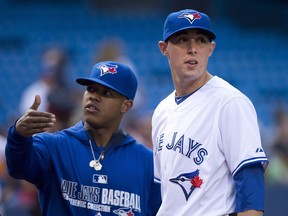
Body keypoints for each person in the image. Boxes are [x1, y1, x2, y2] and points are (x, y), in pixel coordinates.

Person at [152, 9, 269, 216]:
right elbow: (162, 192)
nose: (193, 49)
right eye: (182, 40)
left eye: (201, 40)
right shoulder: (162, 110)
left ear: (211, 48)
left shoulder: (230, 102)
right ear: (164, 48)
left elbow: (251, 188)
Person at [5, 61, 161, 216]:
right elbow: (17, 167)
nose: (94, 97)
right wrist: (18, 136)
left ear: (125, 105)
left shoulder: (147, 162)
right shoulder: (53, 146)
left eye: (106, 93)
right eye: (91, 89)